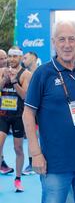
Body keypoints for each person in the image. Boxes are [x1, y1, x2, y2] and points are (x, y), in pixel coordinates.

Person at [22, 21, 75, 202]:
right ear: (54, 42)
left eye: (71, 39)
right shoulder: (43, 73)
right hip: (54, 164)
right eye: (61, 39)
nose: (67, 44)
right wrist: (35, 153)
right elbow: (28, 113)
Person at [0, 46, 32, 192]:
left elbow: (25, 95)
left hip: (18, 116)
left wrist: (13, 82)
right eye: (10, 56)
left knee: (18, 148)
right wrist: (4, 79)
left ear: (20, 58)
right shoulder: (2, 71)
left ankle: (18, 179)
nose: (12, 59)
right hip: (3, 115)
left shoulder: (26, 74)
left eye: (15, 56)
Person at [21, 51, 39, 175]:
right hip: (30, 111)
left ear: (34, 58)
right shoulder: (24, 74)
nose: (23, 60)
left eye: (25, 57)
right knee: (31, 135)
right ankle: (31, 163)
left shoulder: (42, 72)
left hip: (43, 112)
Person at [0, 48, 15, 175]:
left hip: (6, 112)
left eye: (5, 58)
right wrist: (4, 79)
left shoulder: (11, 70)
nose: (4, 61)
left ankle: (2, 162)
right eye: (1, 59)